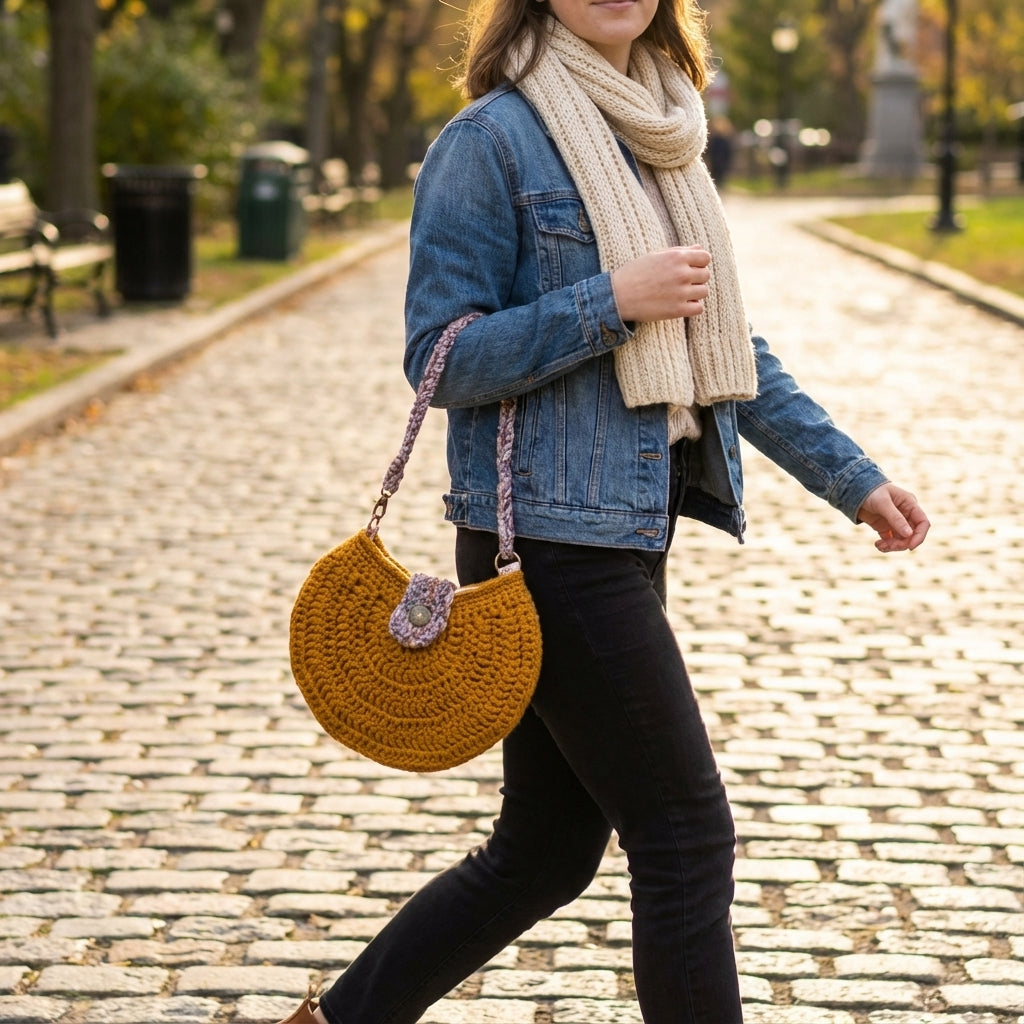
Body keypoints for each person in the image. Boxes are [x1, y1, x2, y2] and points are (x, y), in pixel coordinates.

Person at [274, 1, 930, 1022]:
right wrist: (609, 299)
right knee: (684, 835)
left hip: (625, 527)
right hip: (541, 536)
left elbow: (729, 347)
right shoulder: (487, 140)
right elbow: (437, 356)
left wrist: (852, 478)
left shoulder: (662, 132)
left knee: (542, 852)